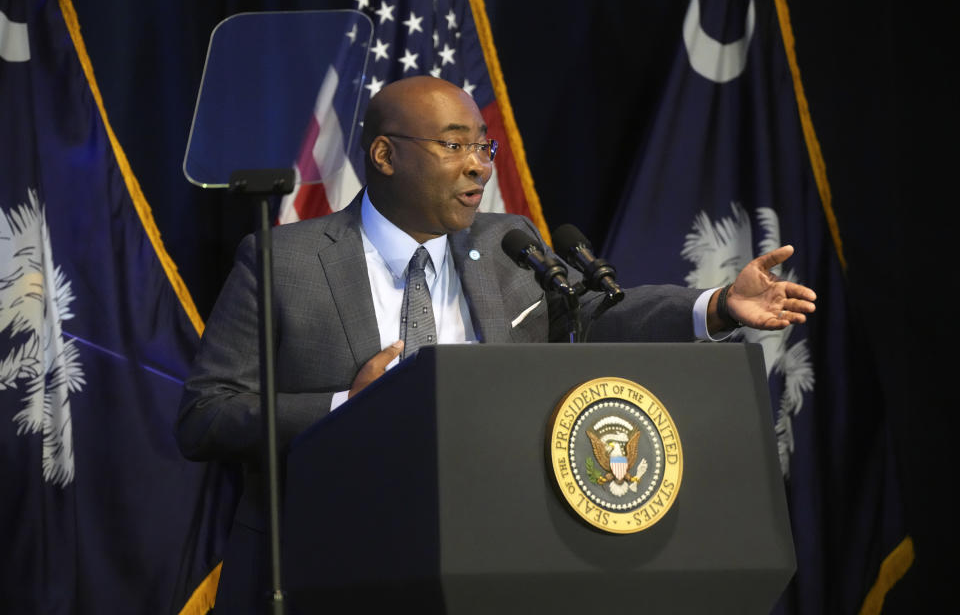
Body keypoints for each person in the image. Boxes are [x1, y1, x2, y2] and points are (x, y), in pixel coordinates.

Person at [176, 76, 816, 610]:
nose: (479, 164)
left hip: (492, 560)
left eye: (482, 146)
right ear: (384, 155)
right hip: (331, 564)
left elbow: (590, 313)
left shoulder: (508, 242)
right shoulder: (283, 260)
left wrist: (716, 307)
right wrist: (348, 405)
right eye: (454, 145)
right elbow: (206, 416)